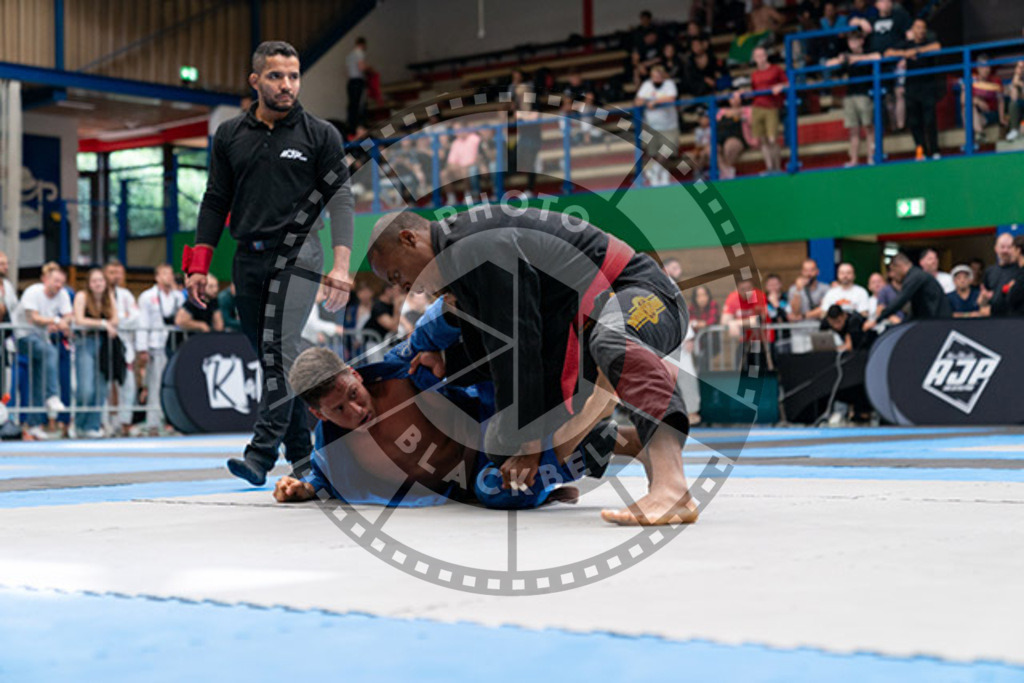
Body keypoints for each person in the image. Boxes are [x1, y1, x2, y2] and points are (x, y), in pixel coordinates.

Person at [366, 209, 697, 526]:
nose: (403, 287)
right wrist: (447, 360)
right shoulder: (460, 273)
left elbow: (518, 345)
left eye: (397, 274)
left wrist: (529, 442)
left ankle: (672, 487)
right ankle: (636, 442)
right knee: (504, 448)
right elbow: (497, 356)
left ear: (409, 238)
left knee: (611, 339)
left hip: (642, 293)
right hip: (579, 333)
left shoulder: (478, 245)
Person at [184, 40, 355, 486]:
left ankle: (260, 454)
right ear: (255, 80)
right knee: (277, 361)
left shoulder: (320, 134)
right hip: (247, 260)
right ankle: (304, 458)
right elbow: (215, 199)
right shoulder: (229, 135)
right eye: (277, 76)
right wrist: (199, 264)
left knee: (279, 353)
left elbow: (340, 200)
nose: (287, 85)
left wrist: (341, 265)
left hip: (300, 256)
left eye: (294, 76)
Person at [274, 315, 631, 509]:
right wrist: (303, 489)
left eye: (354, 393)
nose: (356, 408)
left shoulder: (403, 369)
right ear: (319, 415)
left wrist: (451, 313)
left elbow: (437, 327)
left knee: (499, 483)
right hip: (470, 489)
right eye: (339, 409)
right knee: (494, 490)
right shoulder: (332, 449)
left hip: (492, 438)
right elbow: (323, 480)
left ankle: (590, 429)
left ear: (354, 374)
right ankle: (589, 452)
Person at [11, 262, 71, 440]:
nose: (58, 285)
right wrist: (54, 320)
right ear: (45, 280)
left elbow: (68, 316)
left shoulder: (63, 295)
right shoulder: (33, 292)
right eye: (55, 281)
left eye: (61, 282)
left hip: (41, 338)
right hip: (23, 336)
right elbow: (33, 318)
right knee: (50, 352)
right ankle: (52, 395)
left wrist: (62, 323)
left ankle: (35, 423)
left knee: (38, 379)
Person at [137, 264, 184, 435]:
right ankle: (153, 424)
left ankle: (173, 422)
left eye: (170, 273)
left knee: (175, 385)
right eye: (164, 273)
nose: (168, 277)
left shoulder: (179, 297)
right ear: (156, 277)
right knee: (155, 385)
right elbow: (143, 322)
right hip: (155, 345)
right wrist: (142, 348)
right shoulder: (147, 297)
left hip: (175, 345)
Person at [851, 0, 912, 132]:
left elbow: (910, 36)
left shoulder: (900, 16)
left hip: (897, 60)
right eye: (882, 1)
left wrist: (904, 55)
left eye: (888, 1)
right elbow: (851, 22)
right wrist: (861, 22)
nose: (886, 3)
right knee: (885, 96)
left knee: (900, 92)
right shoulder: (871, 19)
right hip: (879, 64)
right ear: (876, 5)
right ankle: (891, 126)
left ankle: (901, 126)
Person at [72, 268, 119, 438]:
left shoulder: (109, 297)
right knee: (86, 388)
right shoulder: (82, 296)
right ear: (89, 283)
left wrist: (106, 323)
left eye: (101, 280)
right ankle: (78, 423)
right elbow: (79, 319)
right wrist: (103, 324)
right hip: (85, 343)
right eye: (94, 281)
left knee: (101, 388)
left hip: (104, 345)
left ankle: (92, 425)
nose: (98, 284)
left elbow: (116, 319)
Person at [887, 18, 942, 160]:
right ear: (913, 30)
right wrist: (904, 54)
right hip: (911, 88)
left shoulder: (929, 41)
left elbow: (937, 47)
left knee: (930, 120)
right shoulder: (906, 44)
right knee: (915, 121)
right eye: (918, 27)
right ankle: (921, 150)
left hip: (928, 87)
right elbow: (888, 52)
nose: (921, 30)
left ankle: (935, 150)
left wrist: (917, 51)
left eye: (923, 28)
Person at [825, 32, 881, 167]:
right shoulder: (846, 55)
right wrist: (841, 59)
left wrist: (857, 58)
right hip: (850, 96)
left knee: (868, 127)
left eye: (855, 40)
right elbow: (827, 64)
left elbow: (878, 56)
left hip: (865, 95)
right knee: (853, 129)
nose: (852, 43)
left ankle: (871, 157)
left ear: (861, 41)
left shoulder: (868, 51)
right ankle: (854, 159)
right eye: (850, 41)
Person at [865, 252, 952, 330]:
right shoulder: (916, 276)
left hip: (939, 322)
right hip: (933, 320)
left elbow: (900, 301)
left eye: (893, 270)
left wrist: (877, 320)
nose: (892, 275)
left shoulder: (915, 277)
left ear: (899, 266)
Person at [103, 260, 140, 437]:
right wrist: (115, 320)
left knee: (128, 385)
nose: (115, 276)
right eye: (111, 272)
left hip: (124, 346)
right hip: (104, 344)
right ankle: (105, 423)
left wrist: (117, 321)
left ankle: (125, 422)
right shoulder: (99, 294)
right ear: (105, 274)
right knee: (105, 386)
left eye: (118, 273)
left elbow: (135, 318)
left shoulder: (125, 295)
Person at [635, 65, 680, 186]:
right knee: (653, 153)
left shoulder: (669, 84)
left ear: (663, 76)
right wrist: (647, 102)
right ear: (651, 77)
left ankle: (655, 170)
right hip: (652, 126)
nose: (657, 78)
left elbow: (671, 98)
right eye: (655, 76)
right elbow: (638, 101)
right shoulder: (646, 85)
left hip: (669, 126)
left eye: (660, 76)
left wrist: (655, 101)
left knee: (667, 150)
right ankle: (664, 174)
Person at [748, 46, 787, 173]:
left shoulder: (776, 69)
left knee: (772, 138)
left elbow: (788, 83)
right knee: (763, 140)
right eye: (757, 56)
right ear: (754, 59)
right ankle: (769, 168)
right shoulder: (754, 74)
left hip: (772, 107)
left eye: (762, 55)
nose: (760, 58)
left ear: (766, 56)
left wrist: (780, 86)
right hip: (757, 108)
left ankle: (777, 167)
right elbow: (753, 91)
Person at [964, 56, 1006, 145]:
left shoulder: (996, 81)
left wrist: (1002, 119)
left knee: (969, 117)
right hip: (977, 114)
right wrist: (977, 101)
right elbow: (963, 99)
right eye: (983, 67)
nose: (986, 70)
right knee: (967, 109)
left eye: (988, 67)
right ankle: (980, 134)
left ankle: (973, 140)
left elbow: (1001, 101)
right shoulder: (972, 81)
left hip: (991, 113)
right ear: (978, 68)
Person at [980, 233, 1022, 316]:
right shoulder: (989, 271)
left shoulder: (1021, 271)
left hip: (1016, 318)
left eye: (1009, 247)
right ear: (996, 249)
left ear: (1015, 249)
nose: (1005, 250)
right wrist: (984, 298)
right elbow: (982, 302)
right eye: (1002, 247)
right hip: (995, 320)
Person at [716, 91, 751, 179]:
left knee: (730, 145)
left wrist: (741, 115)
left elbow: (752, 123)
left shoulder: (747, 109)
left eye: (736, 98)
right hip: (721, 138)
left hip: (739, 137)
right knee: (711, 149)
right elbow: (715, 124)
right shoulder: (722, 111)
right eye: (732, 98)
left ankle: (727, 172)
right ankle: (725, 171)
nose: (734, 100)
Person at [0, 251, 19, 397]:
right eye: (2, 264)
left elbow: (15, 309)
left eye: (7, 264)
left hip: (6, 339)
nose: (5, 267)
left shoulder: (7, 285)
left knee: (6, 381)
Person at [346, 37, 368, 129]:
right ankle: (359, 124)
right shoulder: (359, 53)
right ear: (362, 44)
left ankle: (351, 124)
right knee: (360, 104)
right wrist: (370, 69)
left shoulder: (349, 55)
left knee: (352, 104)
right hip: (358, 81)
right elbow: (361, 67)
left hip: (351, 81)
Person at [1006, 60, 1024, 142]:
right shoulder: (1013, 83)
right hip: (1019, 112)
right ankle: (1014, 130)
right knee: (1013, 104)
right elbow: (1014, 98)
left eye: (1023, 67)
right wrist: (1017, 77)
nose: (1021, 69)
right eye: (1019, 67)